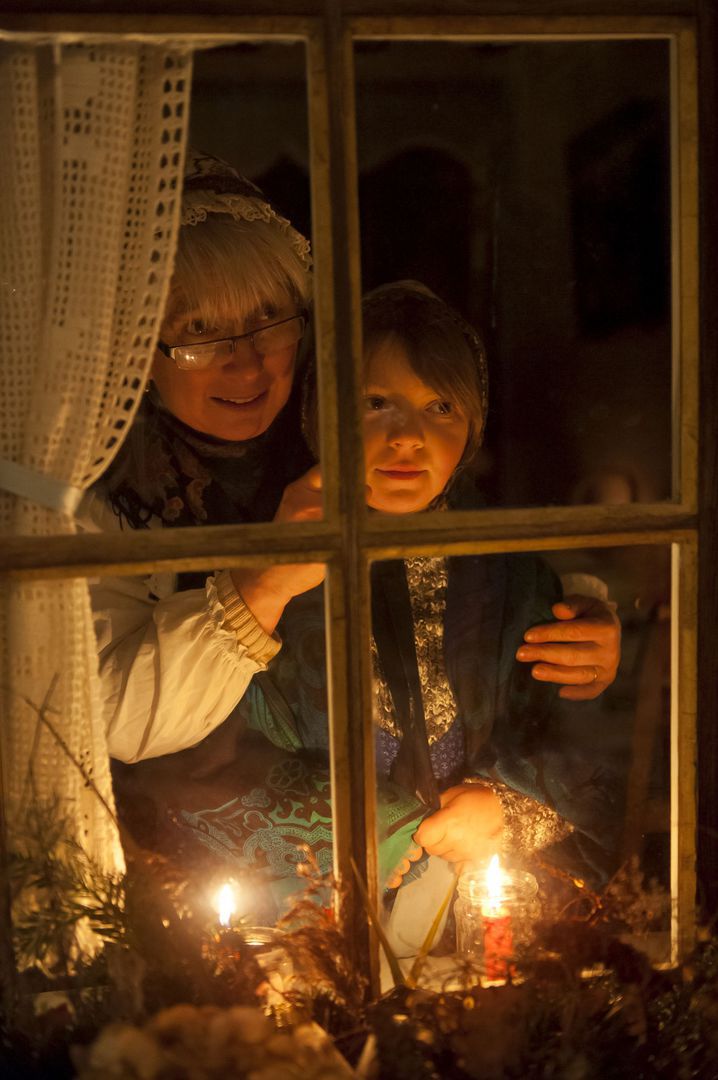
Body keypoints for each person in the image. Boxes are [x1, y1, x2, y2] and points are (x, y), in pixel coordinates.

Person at [83, 156, 619, 899]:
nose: (244, 362)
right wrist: (370, 825)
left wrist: (585, 612)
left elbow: (570, 726)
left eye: (266, 321)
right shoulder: (117, 500)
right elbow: (164, 745)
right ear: (139, 345)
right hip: (269, 887)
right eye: (199, 330)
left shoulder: (484, 558)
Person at [163, 282, 622, 915]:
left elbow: (577, 732)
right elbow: (201, 752)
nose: (408, 436)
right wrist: (365, 823)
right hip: (314, 909)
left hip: (478, 901)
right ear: (321, 414)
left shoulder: (513, 571)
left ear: (473, 426)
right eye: (376, 403)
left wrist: (510, 804)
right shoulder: (261, 561)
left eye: (440, 407)